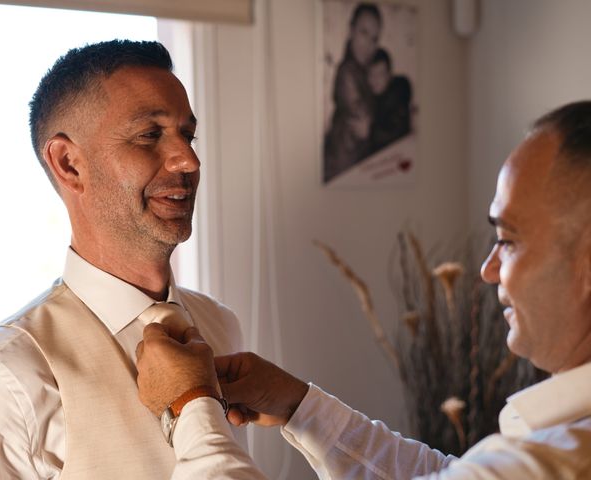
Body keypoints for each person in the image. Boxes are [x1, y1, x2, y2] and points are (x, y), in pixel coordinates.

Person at [136, 100, 591, 478]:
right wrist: (300, 407)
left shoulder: (552, 463)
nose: (489, 270)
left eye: (508, 240)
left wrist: (190, 404)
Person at [0, 40, 246, 478]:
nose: (189, 159)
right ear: (69, 163)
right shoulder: (6, 376)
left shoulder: (222, 326)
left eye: (187, 133)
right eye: (150, 134)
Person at [324, 3, 384, 182]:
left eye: (374, 39)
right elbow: (364, 124)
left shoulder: (364, 72)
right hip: (341, 168)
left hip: (354, 167)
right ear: (351, 31)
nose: (369, 45)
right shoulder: (347, 72)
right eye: (363, 33)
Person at [366, 48, 412, 154]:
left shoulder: (398, 95)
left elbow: (396, 133)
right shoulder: (373, 96)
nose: (375, 79)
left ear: (389, 75)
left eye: (380, 74)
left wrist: (369, 131)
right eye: (371, 74)